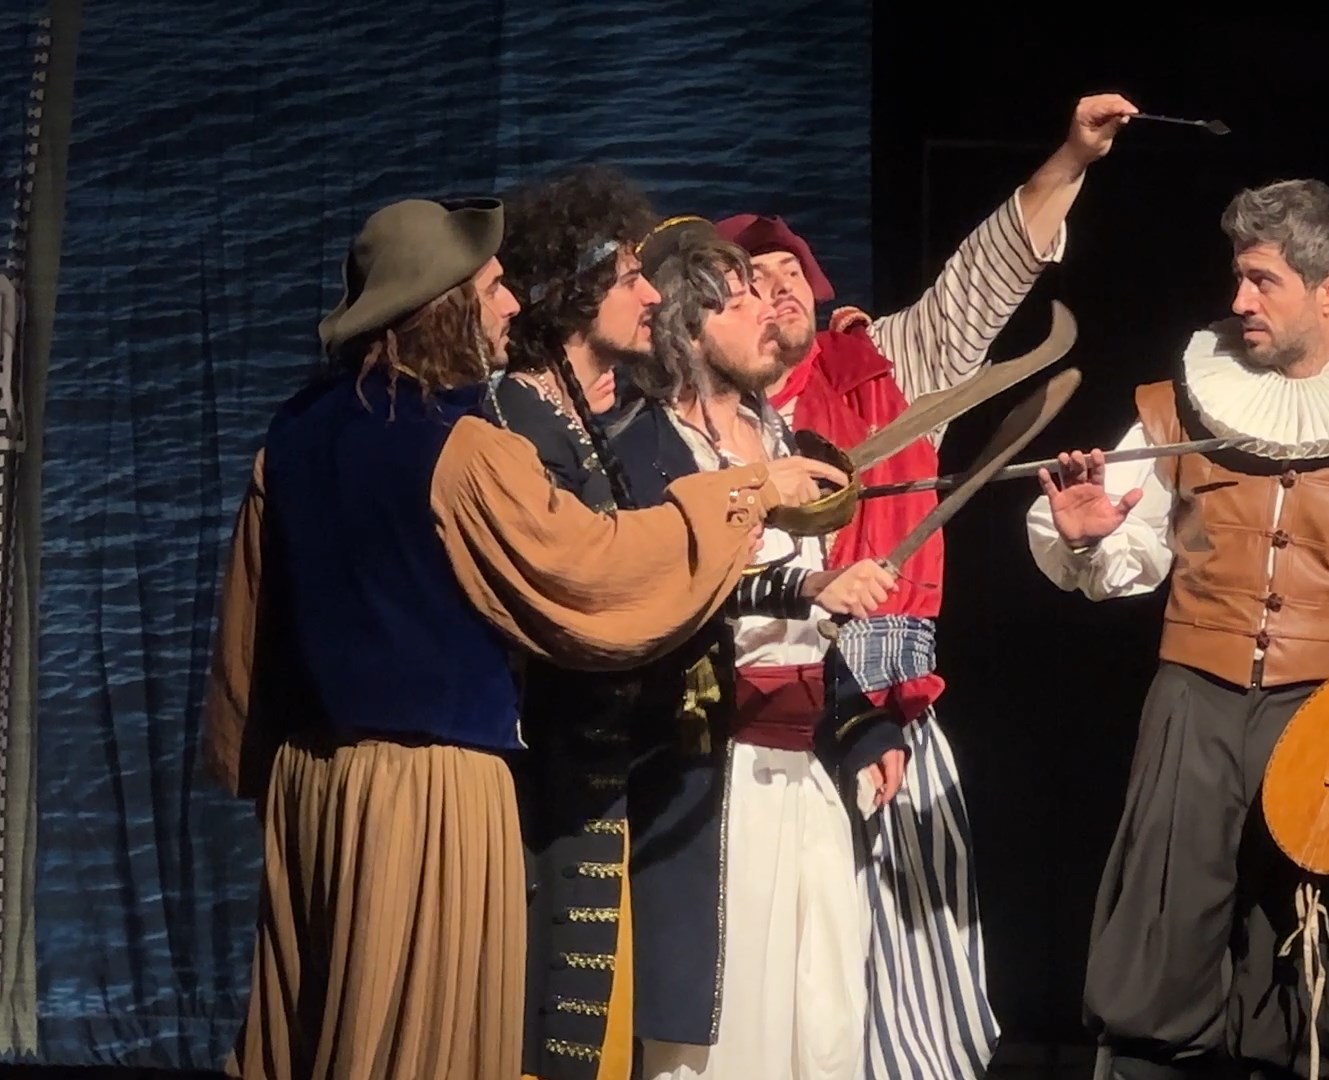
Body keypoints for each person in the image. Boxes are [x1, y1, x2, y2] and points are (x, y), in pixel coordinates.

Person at [198, 194, 842, 1080]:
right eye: (494, 288)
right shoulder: (460, 446)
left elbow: (249, 627)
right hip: (430, 793)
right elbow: (590, 572)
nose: (511, 305)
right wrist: (748, 493)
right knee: (420, 1039)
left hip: (309, 786)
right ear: (446, 305)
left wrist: (253, 766)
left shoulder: (295, 433)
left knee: (315, 1031)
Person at [1025, 179, 1329, 1080]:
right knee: (1160, 947)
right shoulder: (1184, 410)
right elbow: (1123, 551)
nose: (1240, 299)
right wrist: (1087, 538)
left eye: (1264, 281)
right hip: (1194, 706)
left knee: (1302, 973)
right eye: (1239, 276)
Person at [710, 90, 1138, 1080]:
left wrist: (1070, 159)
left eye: (792, 273)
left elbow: (981, 281)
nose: (779, 289)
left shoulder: (888, 366)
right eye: (754, 280)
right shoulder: (702, 415)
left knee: (896, 995)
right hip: (752, 726)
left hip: (886, 713)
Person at [483, 169, 890, 1080]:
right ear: (689, 326)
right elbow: (656, 582)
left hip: (804, 773)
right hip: (713, 772)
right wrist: (800, 588)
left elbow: (816, 621)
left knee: (822, 1027)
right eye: (738, 299)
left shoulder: (785, 442)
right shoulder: (644, 448)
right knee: (721, 1034)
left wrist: (864, 721)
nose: (768, 309)